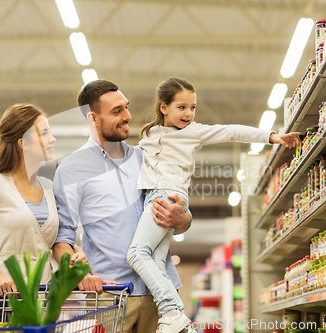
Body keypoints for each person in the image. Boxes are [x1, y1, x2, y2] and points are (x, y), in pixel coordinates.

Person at [126, 77, 300, 333]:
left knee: (136, 254)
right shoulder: (150, 134)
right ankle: (180, 320)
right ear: (164, 107)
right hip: (153, 195)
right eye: (182, 107)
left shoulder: (193, 132)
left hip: (167, 196)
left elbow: (231, 131)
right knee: (156, 260)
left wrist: (272, 136)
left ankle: (170, 312)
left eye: (193, 107)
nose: (189, 113)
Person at [54, 80, 193, 333]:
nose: (128, 116)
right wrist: (76, 272)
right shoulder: (72, 168)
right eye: (117, 111)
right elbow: (62, 237)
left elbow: (180, 218)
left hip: (162, 296)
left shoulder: (147, 157)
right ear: (92, 118)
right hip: (110, 296)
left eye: (126, 108)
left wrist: (182, 218)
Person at [0, 103, 88, 301]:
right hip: (7, 294)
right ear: (24, 143)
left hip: (45, 294)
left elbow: (55, 239)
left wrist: (76, 253)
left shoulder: (49, 187)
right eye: (45, 133)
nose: (52, 138)